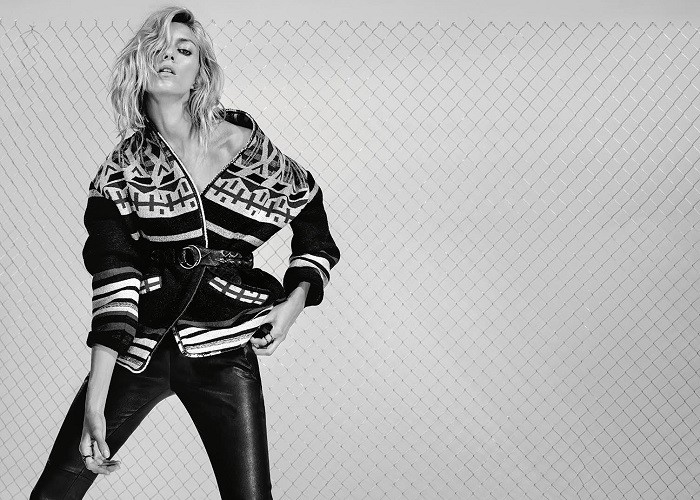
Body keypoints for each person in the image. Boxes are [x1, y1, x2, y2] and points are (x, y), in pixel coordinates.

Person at [30, 6, 340, 500]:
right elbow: (114, 282)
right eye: (158, 48)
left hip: (224, 349)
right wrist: (95, 402)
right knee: (53, 493)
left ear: (201, 70)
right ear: (139, 63)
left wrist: (295, 301)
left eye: (184, 50)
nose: (169, 57)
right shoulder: (120, 171)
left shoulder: (244, 147)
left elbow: (310, 214)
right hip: (138, 350)